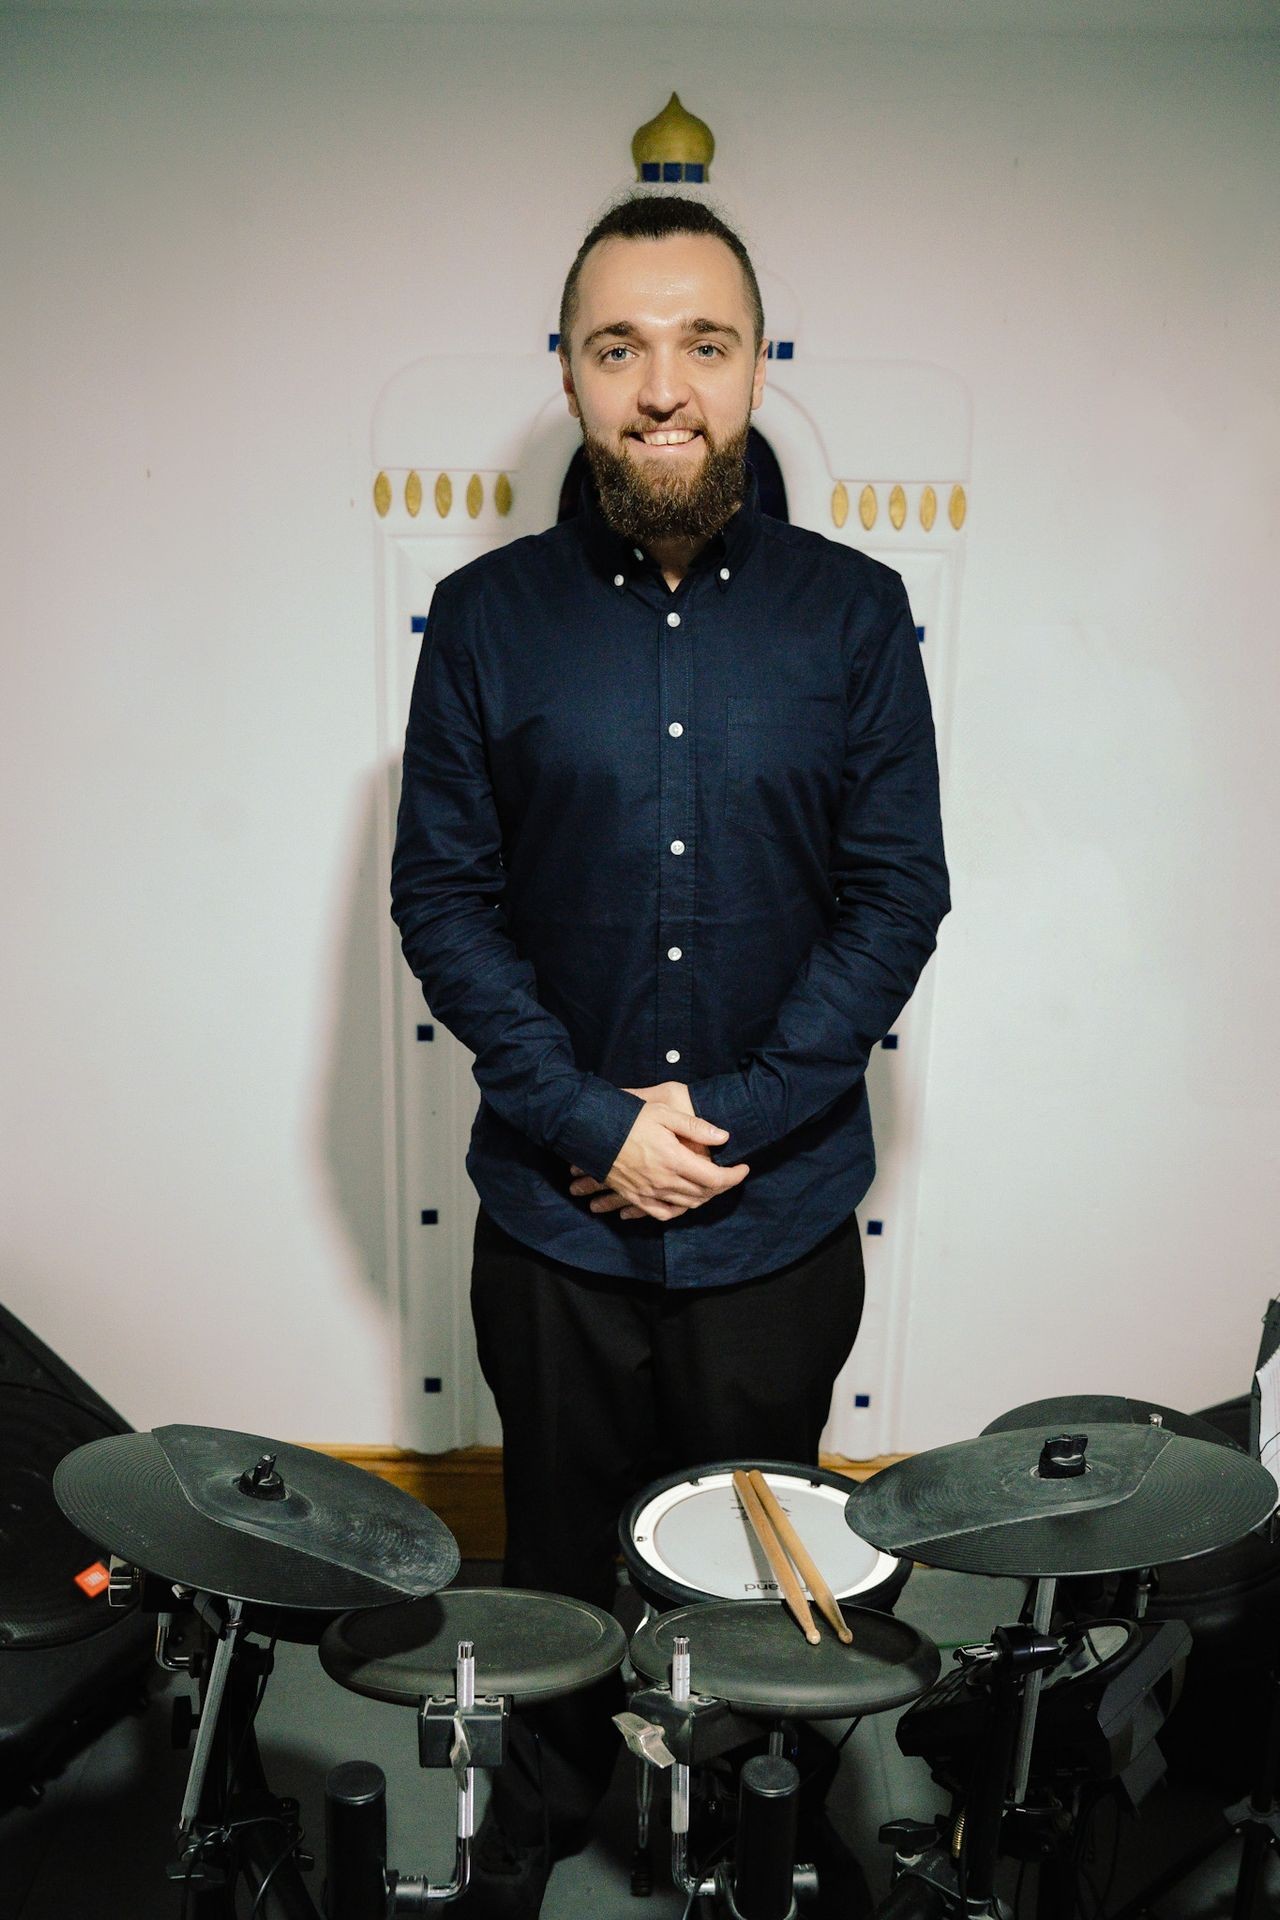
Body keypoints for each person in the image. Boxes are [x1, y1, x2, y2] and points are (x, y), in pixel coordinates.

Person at [390, 192, 949, 1917]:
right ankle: (542, 1820)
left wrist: (726, 1121)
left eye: (703, 344)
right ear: (566, 374)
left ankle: (740, 1828)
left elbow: (895, 895)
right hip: (555, 1225)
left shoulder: (859, 617)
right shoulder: (480, 621)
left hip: (776, 1217)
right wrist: (586, 1121)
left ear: (754, 368)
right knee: (555, 1549)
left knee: (760, 1556)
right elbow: (446, 901)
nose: (662, 387)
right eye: (617, 345)